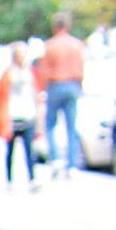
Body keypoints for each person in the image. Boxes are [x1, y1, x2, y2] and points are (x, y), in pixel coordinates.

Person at [36, 11, 87, 171]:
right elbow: (81, 68)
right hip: (72, 85)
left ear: (55, 26)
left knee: (50, 124)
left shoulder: (50, 46)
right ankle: (72, 164)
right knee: (71, 127)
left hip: (56, 84)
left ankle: (56, 158)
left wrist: (42, 90)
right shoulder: (76, 45)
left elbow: (43, 70)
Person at [0, 43, 40, 186]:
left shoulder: (31, 73)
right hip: (12, 117)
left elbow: (37, 95)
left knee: (29, 150)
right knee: (10, 151)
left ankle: (32, 178)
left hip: (28, 115)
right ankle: (9, 179)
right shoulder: (8, 74)